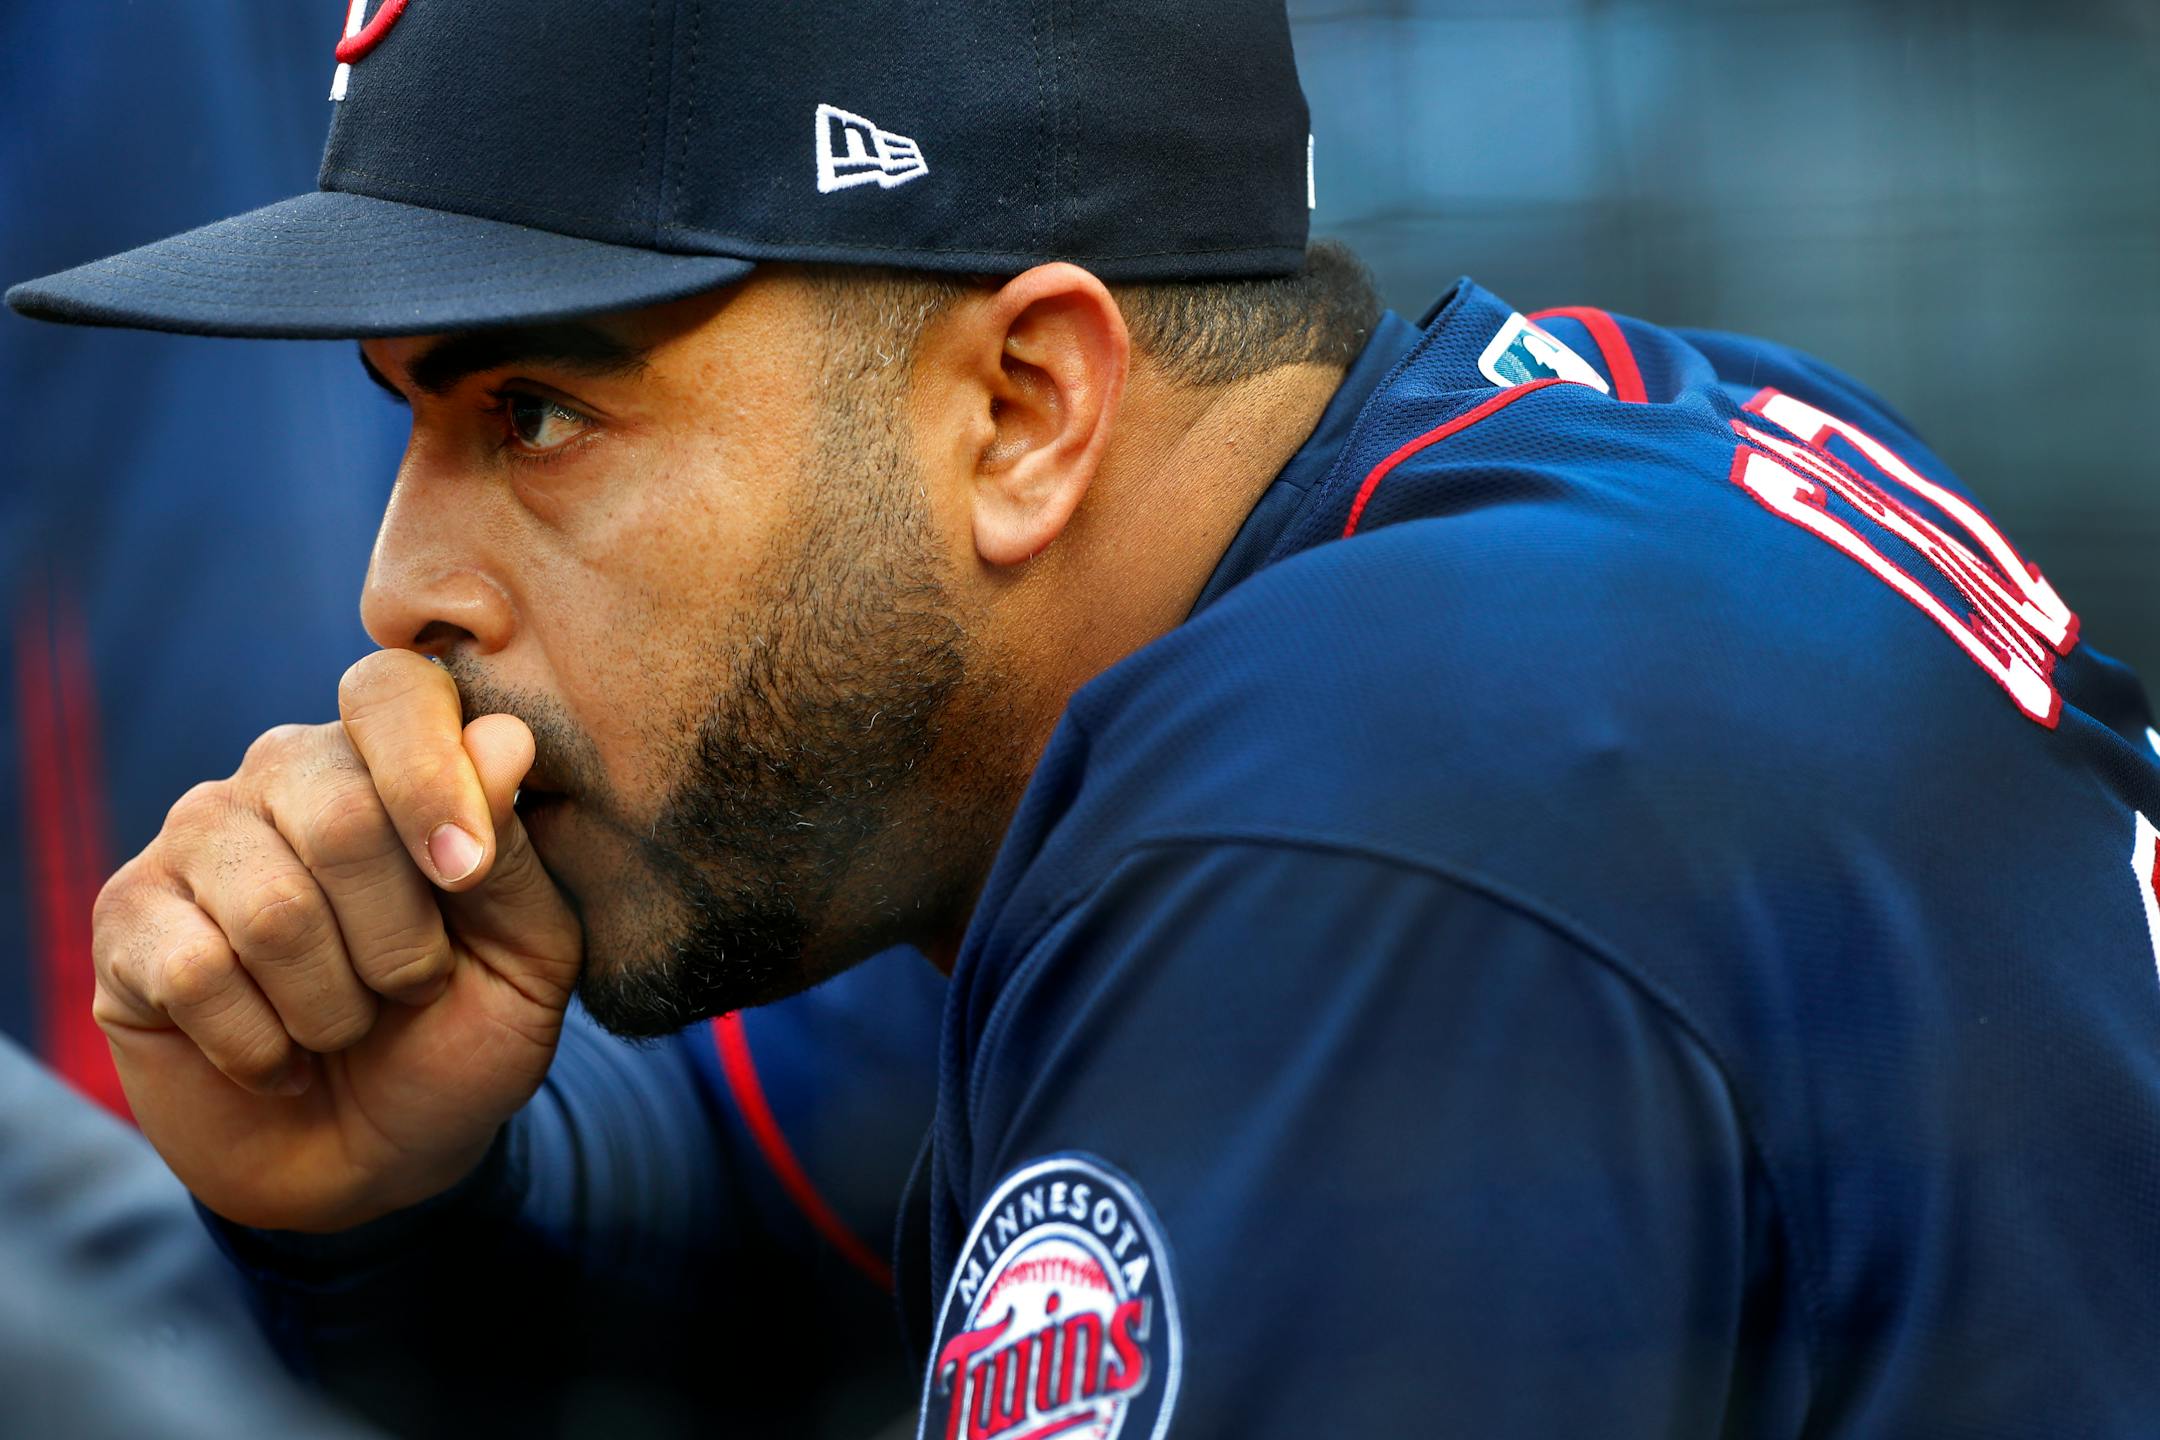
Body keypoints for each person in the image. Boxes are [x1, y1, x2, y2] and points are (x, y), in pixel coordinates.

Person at [12, 0, 2160, 1435]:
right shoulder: (1450, 528)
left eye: (541, 408)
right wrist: (396, 1198)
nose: (403, 586)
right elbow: (761, 1200)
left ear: (1030, 406)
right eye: (411, 422)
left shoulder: (1366, 809)